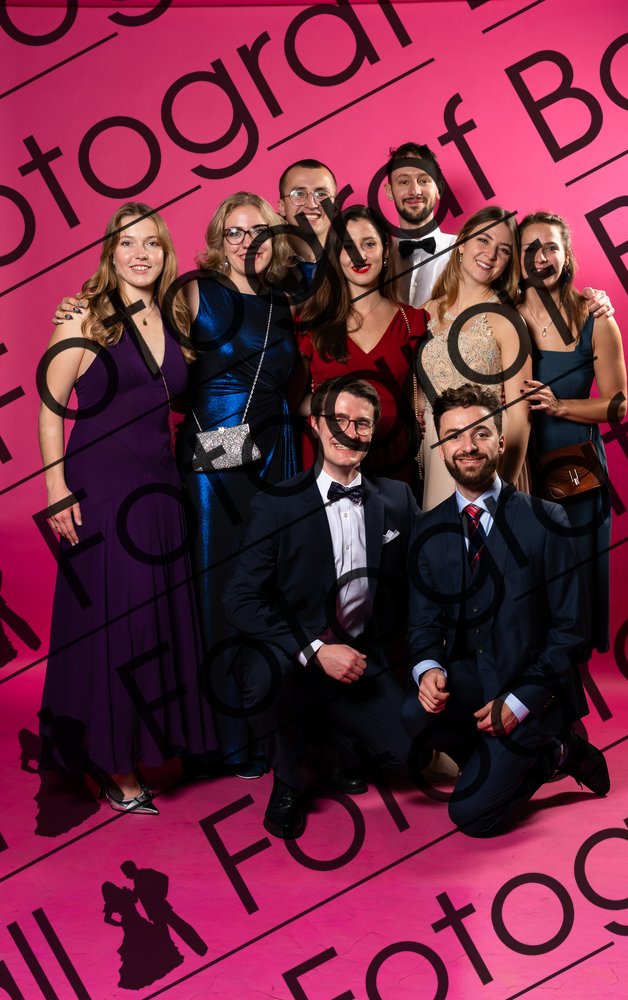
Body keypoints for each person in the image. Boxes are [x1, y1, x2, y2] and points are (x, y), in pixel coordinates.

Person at [38, 202, 215, 815]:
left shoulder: (174, 315)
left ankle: (141, 743)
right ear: (110, 252)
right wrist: (56, 490)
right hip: (101, 488)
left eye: (152, 243)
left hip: (160, 487)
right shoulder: (84, 315)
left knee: (152, 621)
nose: (141, 253)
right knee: (116, 622)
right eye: (128, 243)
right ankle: (113, 763)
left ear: (166, 253)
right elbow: (50, 409)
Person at [402, 384, 609, 838]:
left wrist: (518, 704)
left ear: (499, 441)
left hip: (533, 689)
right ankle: (505, 757)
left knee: (471, 817)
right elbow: (422, 624)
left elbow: (572, 630)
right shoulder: (427, 528)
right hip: (474, 677)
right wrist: (428, 668)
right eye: (454, 436)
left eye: (479, 433)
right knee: (412, 716)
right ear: (441, 448)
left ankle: (557, 750)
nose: (468, 446)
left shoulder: (547, 519)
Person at [223, 377, 419, 839]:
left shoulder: (397, 499)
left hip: (357, 656)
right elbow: (238, 599)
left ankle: (332, 741)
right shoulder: (276, 505)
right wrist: (313, 650)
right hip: (287, 650)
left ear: (373, 432)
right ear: (315, 424)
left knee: (409, 755)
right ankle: (289, 779)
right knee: (266, 675)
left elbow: (422, 581)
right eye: (338, 420)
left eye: (362, 423)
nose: (350, 432)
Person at [176, 191, 299, 778]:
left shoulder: (283, 301)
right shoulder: (196, 291)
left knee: (268, 589)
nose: (248, 242)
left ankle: (267, 732)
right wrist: (82, 309)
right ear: (218, 241)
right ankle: (223, 741)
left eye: (259, 232)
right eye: (235, 232)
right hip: (214, 461)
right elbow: (145, 340)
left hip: (275, 455)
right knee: (219, 590)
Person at [517, 211, 628, 654]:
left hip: (575, 469)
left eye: (550, 247)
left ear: (566, 255)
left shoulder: (595, 317)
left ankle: (570, 681)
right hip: (518, 464)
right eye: (530, 248)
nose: (540, 257)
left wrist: (560, 405)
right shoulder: (503, 312)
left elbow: (618, 404)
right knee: (524, 581)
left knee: (575, 580)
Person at [298, 205, 428, 488]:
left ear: (385, 251)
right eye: (348, 247)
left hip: (394, 457)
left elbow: (417, 398)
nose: (359, 255)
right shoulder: (312, 322)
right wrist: (334, 412)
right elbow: (294, 401)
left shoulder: (412, 320)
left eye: (368, 244)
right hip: (330, 455)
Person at [419, 206, 533, 509]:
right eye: (483, 240)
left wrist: (502, 490)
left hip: (487, 454)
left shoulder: (508, 320)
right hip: (435, 449)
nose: (490, 254)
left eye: (503, 250)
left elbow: (520, 416)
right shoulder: (427, 311)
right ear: (462, 243)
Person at [384, 142, 456, 306]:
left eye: (423, 181)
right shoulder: (379, 255)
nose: (415, 191)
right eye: (404, 182)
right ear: (389, 191)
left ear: (438, 189)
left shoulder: (463, 251)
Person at [277, 158, 338, 284]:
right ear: (282, 207)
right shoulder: (263, 262)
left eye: (321, 194)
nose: (311, 205)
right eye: (299, 194)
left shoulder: (351, 260)